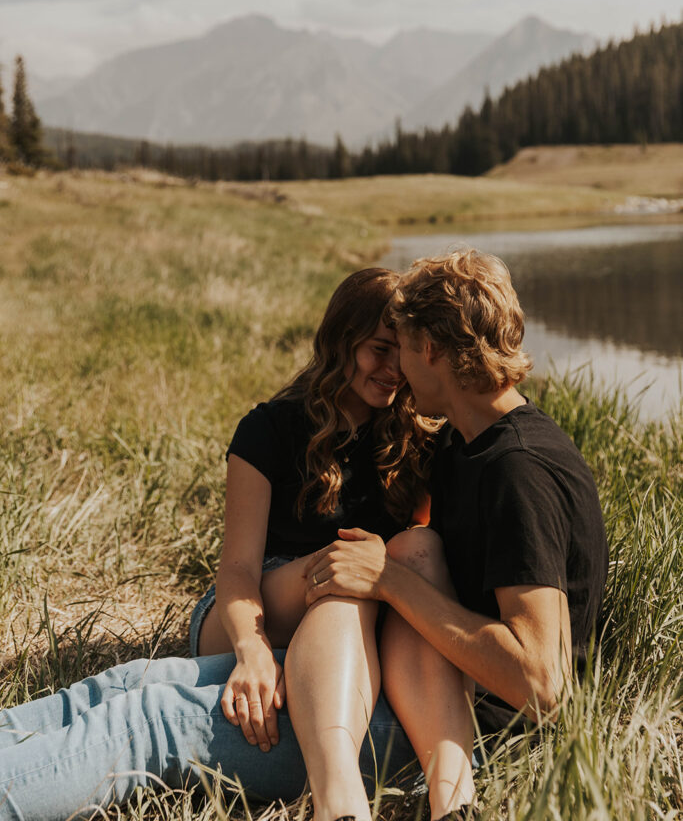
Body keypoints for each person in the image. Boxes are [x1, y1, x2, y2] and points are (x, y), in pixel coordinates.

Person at [0, 268, 438, 821]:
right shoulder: (270, 428)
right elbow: (235, 567)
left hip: (348, 636)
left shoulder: (412, 438)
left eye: (405, 353)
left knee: (130, 683)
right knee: (342, 571)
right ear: (341, 339)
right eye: (380, 349)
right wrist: (253, 654)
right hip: (251, 609)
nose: (393, 369)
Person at [304, 249, 609, 819]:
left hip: (476, 731)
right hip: (434, 685)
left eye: (403, 347)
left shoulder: (519, 470)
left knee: (181, 721)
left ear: (432, 350)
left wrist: (391, 581)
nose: (397, 370)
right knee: (183, 687)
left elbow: (540, 685)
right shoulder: (463, 446)